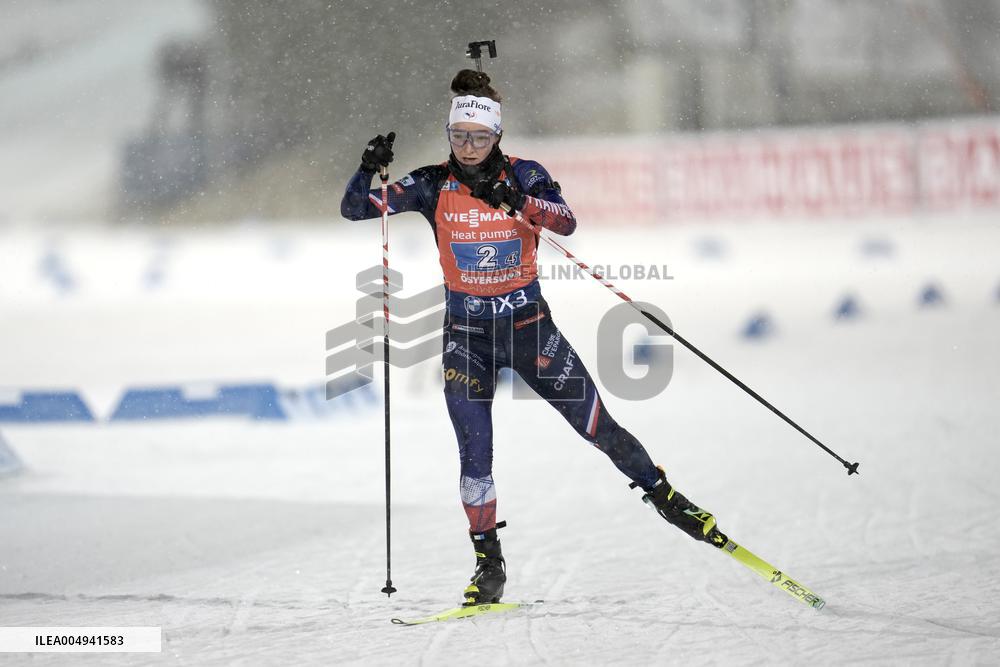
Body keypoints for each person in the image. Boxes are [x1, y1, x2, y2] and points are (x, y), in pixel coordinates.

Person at [341, 69, 727, 606]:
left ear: (497, 135)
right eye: (459, 136)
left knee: (598, 427)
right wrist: (367, 168)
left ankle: (667, 498)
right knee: (475, 457)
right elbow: (356, 208)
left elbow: (565, 222)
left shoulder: (526, 174)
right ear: (448, 134)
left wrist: (518, 202)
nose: (468, 146)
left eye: (479, 137)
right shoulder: (432, 183)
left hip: (530, 331)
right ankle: (488, 564)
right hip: (466, 338)